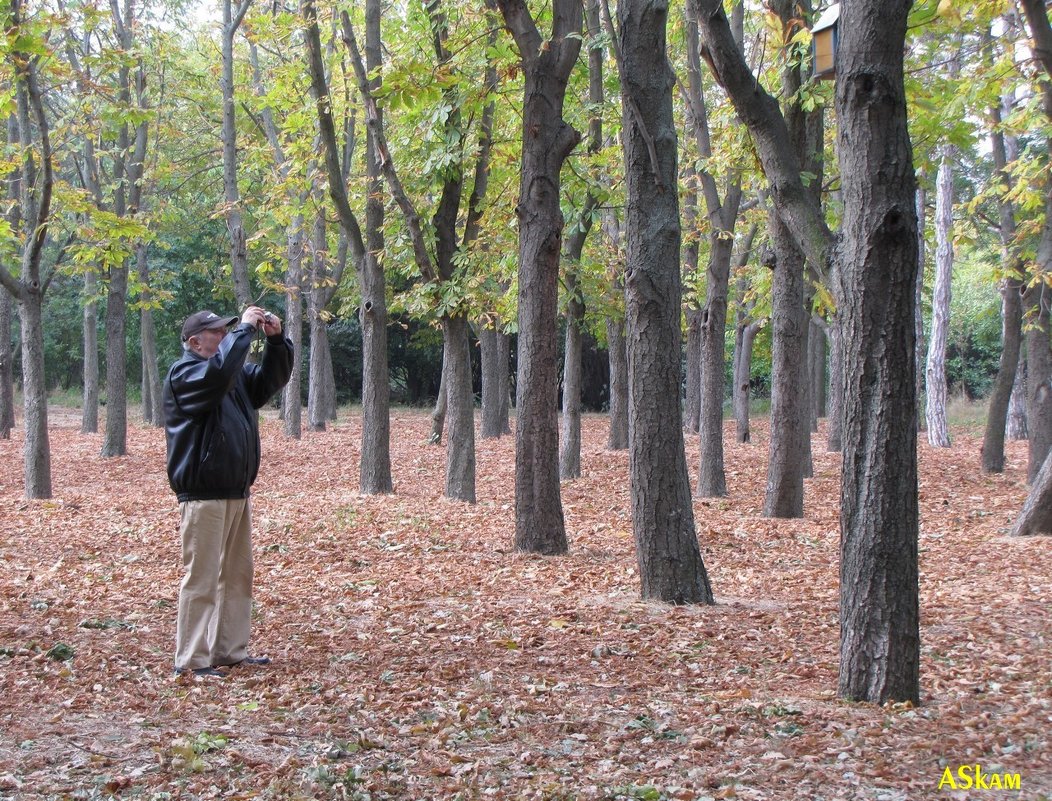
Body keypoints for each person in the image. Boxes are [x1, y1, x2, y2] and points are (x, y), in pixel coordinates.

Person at [163, 306, 293, 678]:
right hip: (203, 494)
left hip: (237, 491)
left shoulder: (229, 375)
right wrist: (244, 332)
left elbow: (270, 381)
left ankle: (228, 651)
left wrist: (275, 340)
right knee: (202, 577)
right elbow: (218, 373)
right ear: (194, 341)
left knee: (237, 576)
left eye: (226, 330)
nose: (224, 336)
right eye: (217, 332)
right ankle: (191, 659)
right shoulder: (186, 373)